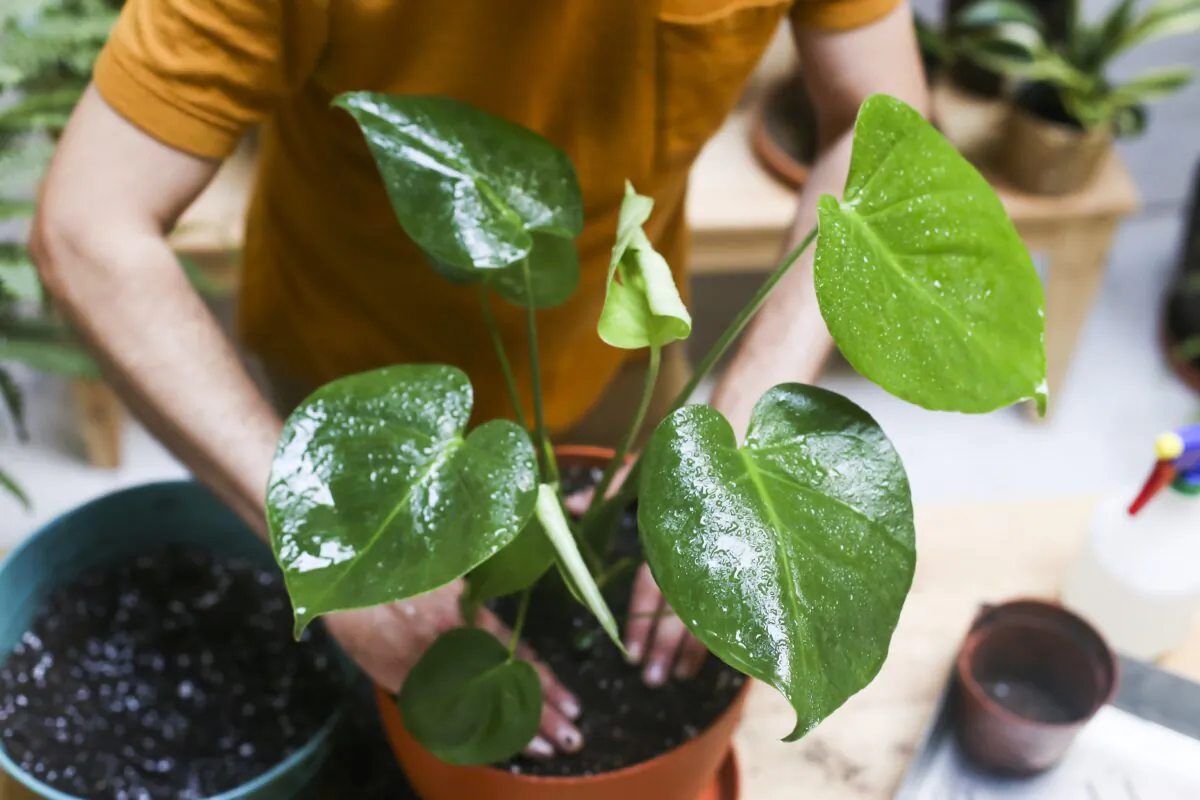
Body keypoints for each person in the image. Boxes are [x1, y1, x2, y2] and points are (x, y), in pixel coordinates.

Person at [31, 0, 928, 759]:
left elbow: (876, 119)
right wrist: (342, 561)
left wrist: (730, 432)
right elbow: (86, 226)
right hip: (360, 394)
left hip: (622, 355)